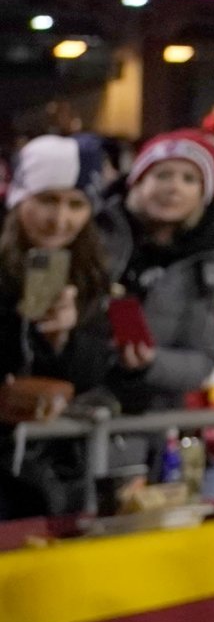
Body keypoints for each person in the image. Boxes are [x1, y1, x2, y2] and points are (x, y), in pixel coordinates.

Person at [96, 128, 214, 415]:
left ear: (204, 195)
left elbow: (201, 360)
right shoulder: (95, 233)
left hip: (149, 417)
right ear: (137, 182)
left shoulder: (211, 261)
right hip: (75, 400)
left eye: (189, 179)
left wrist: (150, 363)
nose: (173, 187)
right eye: (162, 174)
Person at [3, 136, 117, 518]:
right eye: (47, 200)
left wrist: (63, 338)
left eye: (76, 204)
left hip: (49, 470)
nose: (61, 219)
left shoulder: (90, 270)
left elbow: (91, 374)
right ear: (21, 197)